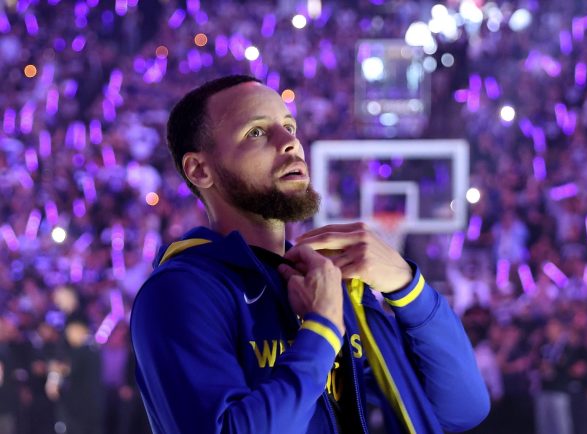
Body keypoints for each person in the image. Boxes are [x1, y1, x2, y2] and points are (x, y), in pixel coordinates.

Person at [130, 74, 490, 434]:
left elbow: (461, 410)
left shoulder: (328, 279)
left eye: (289, 126)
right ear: (200, 170)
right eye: (256, 132)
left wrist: (407, 286)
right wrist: (322, 330)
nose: (290, 142)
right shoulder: (180, 290)